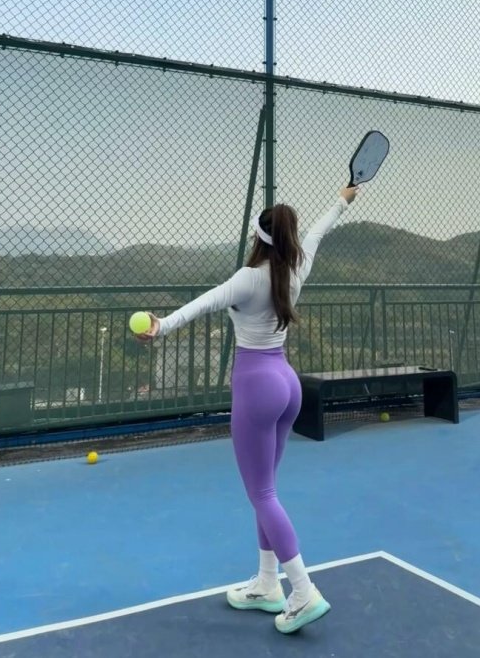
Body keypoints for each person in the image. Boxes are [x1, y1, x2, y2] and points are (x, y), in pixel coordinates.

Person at [133, 185, 358, 634]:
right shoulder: (299, 264)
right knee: (266, 490)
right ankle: (266, 583)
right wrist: (342, 200)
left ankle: (302, 591)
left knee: (262, 495)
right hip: (287, 386)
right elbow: (319, 231)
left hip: (256, 389)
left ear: (258, 237)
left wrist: (160, 328)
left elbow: (202, 304)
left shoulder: (246, 278)